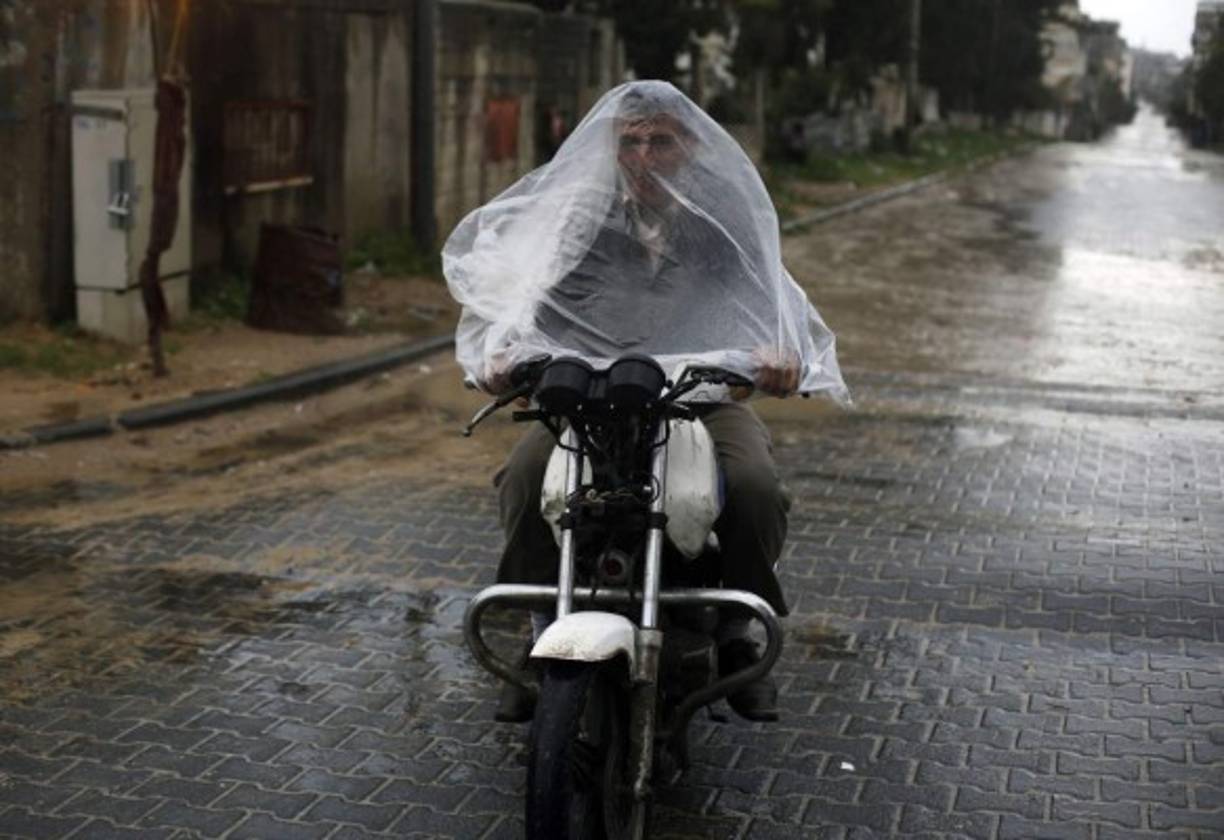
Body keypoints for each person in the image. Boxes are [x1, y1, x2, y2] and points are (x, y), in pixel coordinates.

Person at [444, 81, 849, 723]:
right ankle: (538, 621)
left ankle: (736, 629)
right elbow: (524, 300)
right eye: (630, 141)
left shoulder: (723, 225)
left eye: (660, 140)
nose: (643, 155)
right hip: (588, 398)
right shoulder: (578, 224)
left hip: (699, 399)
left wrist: (778, 356)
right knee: (522, 479)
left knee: (754, 486)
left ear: (688, 147)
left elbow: (768, 303)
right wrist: (501, 352)